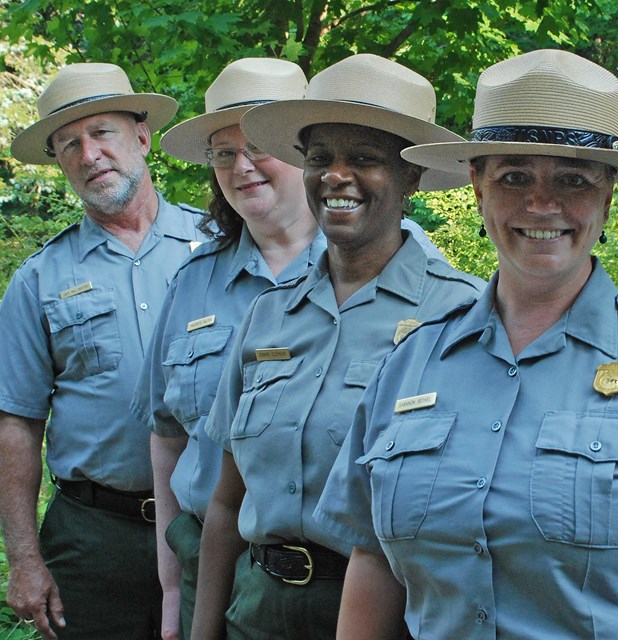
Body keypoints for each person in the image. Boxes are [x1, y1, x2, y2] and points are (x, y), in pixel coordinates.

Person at [315, 49, 618, 640]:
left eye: (573, 179)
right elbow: (372, 562)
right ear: (476, 188)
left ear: (608, 194)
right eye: (514, 177)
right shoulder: (411, 364)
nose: (542, 204)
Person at [190, 53, 485, 640]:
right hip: (257, 609)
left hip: (393, 617)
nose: (336, 176)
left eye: (366, 160)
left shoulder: (463, 316)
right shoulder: (268, 315)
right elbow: (225, 503)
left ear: (412, 177)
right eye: (320, 158)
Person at [0, 62, 207, 640]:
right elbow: (15, 424)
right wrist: (23, 561)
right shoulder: (38, 279)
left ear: (142, 136)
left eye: (102, 133)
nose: (88, 154)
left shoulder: (218, 251)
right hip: (93, 537)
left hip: (206, 525)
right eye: (69, 144)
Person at [130, 57, 324, 640]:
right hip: (205, 567)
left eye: (258, 145)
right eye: (222, 152)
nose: (241, 167)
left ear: (305, 152)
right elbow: (166, 443)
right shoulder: (193, 282)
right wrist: (170, 593)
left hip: (333, 584)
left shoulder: (391, 268)